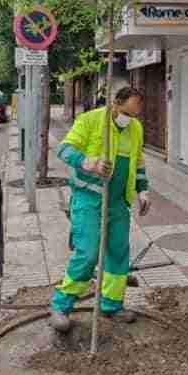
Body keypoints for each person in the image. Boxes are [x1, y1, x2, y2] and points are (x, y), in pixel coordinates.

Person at [49, 86, 151, 332]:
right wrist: (88, 162)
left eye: (136, 112)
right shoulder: (90, 120)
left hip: (118, 202)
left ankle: (111, 304)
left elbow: (137, 162)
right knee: (88, 252)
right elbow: (63, 149)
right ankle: (61, 305)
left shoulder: (135, 128)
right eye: (129, 110)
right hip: (89, 198)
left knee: (117, 253)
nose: (133, 117)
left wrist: (143, 189)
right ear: (115, 103)